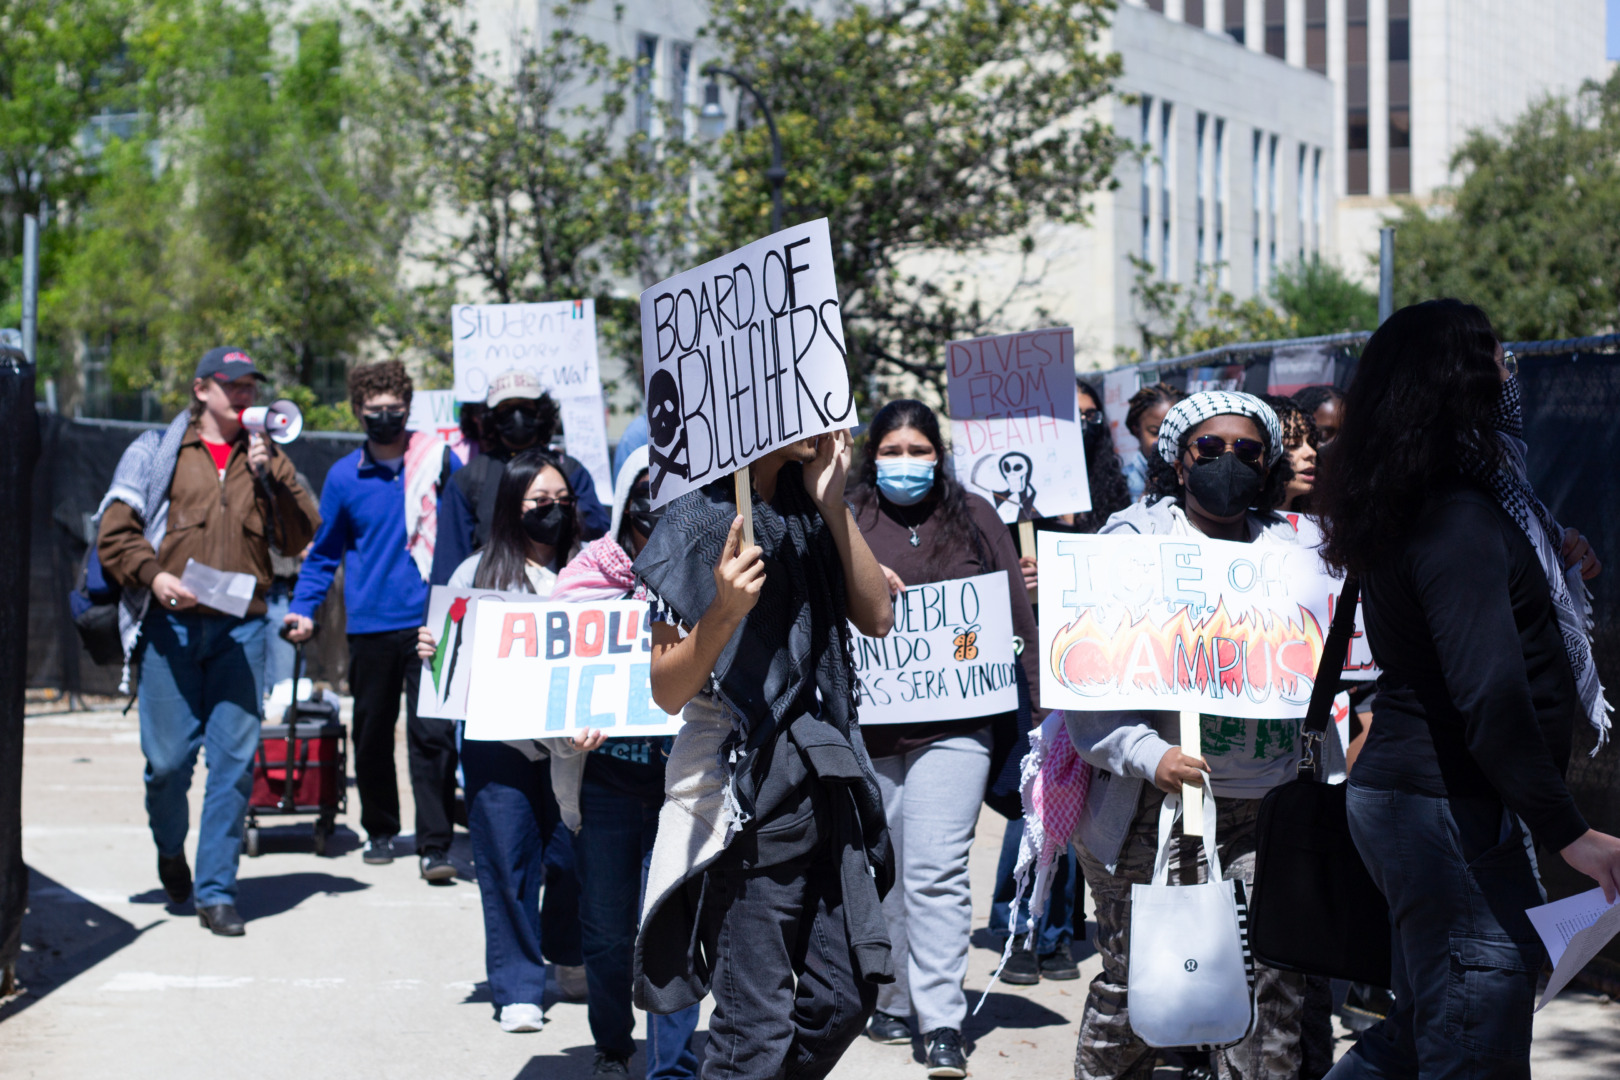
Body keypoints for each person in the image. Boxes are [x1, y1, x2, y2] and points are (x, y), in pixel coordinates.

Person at [1315, 300, 1615, 1079]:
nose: (1507, 373)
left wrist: (1544, 556)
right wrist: (1571, 834)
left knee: (1427, 1029)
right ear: (1456, 383)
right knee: (1474, 1030)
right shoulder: (1454, 517)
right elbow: (1490, 695)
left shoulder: (1436, 501)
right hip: (1443, 812)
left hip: (1438, 803)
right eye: (1493, 359)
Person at [1065, 390, 1333, 1080]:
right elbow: (1088, 686)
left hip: (1264, 812)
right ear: (1179, 463)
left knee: (1269, 988)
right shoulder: (1134, 543)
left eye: (1246, 451)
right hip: (1153, 813)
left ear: (1267, 462)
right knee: (1144, 990)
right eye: (1208, 449)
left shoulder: (1299, 548)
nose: (1226, 462)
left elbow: (1332, 659)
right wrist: (1150, 757)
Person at [633, 430, 895, 1080]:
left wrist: (834, 506)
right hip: (749, 800)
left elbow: (878, 616)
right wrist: (722, 612)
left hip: (829, 783)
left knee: (842, 998)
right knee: (754, 1034)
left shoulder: (815, 506)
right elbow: (668, 688)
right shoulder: (692, 523)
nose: (829, 422)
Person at [847, 400, 1043, 1076]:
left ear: (939, 453)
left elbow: (1016, 623)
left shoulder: (977, 518)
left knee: (934, 871)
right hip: (868, 730)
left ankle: (941, 1021)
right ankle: (895, 998)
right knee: (889, 872)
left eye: (918, 450)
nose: (906, 463)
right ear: (872, 455)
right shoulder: (845, 521)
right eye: (892, 451)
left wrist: (1043, 718)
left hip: (957, 729)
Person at [96, 346, 319, 936]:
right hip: (169, 629)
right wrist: (155, 576)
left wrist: (272, 470)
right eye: (232, 385)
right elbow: (115, 536)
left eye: (251, 385)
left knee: (234, 765)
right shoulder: (157, 452)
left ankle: (216, 890)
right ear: (201, 389)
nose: (244, 395)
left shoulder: (267, 457)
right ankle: (172, 851)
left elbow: (301, 536)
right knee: (167, 765)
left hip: (242, 630)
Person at [543, 445, 702, 1080]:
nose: (654, 506)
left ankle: (674, 1064)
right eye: (644, 490)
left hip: (682, 783)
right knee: (607, 932)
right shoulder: (587, 578)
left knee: (671, 930)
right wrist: (567, 727)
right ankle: (613, 1045)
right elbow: (552, 681)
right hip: (606, 784)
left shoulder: (714, 575)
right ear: (621, 503)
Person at [416, 448, 587, 1033]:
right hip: (499, 744)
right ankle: (517, 985)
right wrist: (434, 653)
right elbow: (448, 654)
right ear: (513, 508)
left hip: (575, 746)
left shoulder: (593, 569)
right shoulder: (476, 574)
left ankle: (568, 956)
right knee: (508, 861)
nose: (554, 511)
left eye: (563, 501)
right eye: (540, 502)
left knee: (570, 859)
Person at [284, 360, 462, 878]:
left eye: (395, 409)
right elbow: (322, 554)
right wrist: (302, 608)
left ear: (408, 408)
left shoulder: (437, 463)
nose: (385, 417)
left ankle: (435, 844)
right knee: (372, 731)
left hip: (432, 621)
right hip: (370, 624)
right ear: (358, 411)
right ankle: (380, 830)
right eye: (374, 410)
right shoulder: (344, 476)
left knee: (432, 734)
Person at [998, 377, 1132, 985]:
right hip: (1032, 660)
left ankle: (1055, 930)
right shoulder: (1012, 507)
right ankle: (1021, 925)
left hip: (1089, 660)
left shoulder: (1113, 505)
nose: (1078, 426)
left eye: (1088, 416)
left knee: (1079, 790)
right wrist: (1021, 577)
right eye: (1065, 416)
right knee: (1040, 795)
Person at [430, 368, 610, 585]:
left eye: (525, 407)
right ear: (493, 417)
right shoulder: (468, 479)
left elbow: (597, 539)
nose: (517, 416)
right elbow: (449, 561)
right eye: (506, 409)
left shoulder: (570, 471)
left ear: (540, 412)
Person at [1120, 382, 1184, 501]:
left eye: (1174, 432)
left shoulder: (1188, 472)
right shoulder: (1123, 481)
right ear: (1137, 431)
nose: (1165, 440)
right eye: (1155, 432)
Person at [1262, 395, 1318, 514]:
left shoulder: (1320, 524)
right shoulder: (1240, 529)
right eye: (1293, 444)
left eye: (1311, 443)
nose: (1311, 453)